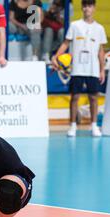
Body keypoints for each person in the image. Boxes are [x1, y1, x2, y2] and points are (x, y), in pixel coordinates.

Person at [52, 0, 107, 137]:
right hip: (77, 68)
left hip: (93, 69)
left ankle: (93, 125)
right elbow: (66, 43)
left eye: (90, 6)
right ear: (82, 8)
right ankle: (72, 126)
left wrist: (101, 70)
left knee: (93, 97)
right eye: (85, 6)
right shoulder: (75, 25)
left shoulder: (99, 28)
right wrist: (56, 56)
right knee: (74, 97)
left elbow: (101, 50)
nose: (87, 8)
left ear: (94, 8)